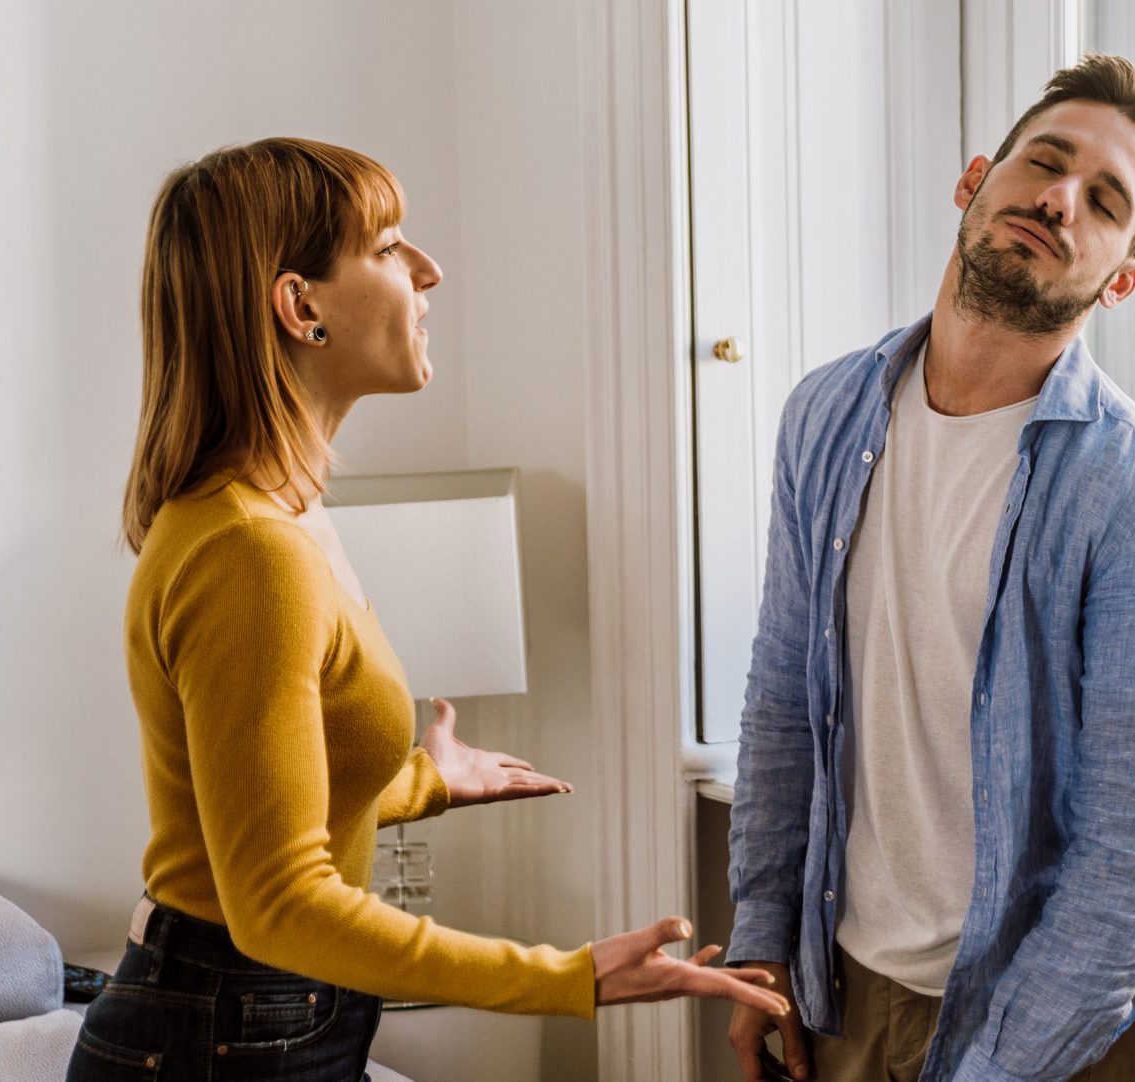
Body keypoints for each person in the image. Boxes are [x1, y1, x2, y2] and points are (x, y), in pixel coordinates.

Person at [67, 137, 789, 1081]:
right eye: (388, 245)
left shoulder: (282, 514)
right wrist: (565, 978)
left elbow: (257, 789)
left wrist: (418, 781)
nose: (429, 270)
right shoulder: (249, 552)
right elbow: (277, 898)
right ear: (300, 306)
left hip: (256, 1009)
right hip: (227, 1021)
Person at [725, 55, 1135, 1082]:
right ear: (975, 179)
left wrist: (995, 1067)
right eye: (1047, 161)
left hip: (1024, 1023)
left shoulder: (1134, 495)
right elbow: (781, 700)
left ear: (1118, 280)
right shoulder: (824, 413)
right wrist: (759, 942)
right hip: (838, 987)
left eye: (1104, 201)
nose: (1058, 199)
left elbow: (1127, 852)